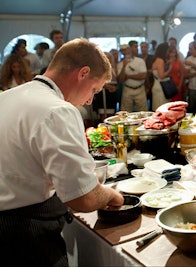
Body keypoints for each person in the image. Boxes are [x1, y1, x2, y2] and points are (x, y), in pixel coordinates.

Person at [0, 38, 124, 266]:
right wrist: (111, 195)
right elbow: (83, 198)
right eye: (94, 90)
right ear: (83, 73)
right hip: (24, 237)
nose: (89, 100)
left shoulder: (6, 97)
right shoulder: (58, 110)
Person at [117, 43, 148, 112]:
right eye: (123, 50)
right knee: (125, 112)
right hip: (127, 89)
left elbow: (143, 76)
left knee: (143, 111)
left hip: (140, 89)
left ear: (130, 49)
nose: (125, 52)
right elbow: (121, 79)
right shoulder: (120, 64)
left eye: (126, 49)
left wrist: (128, 76)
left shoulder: (140, 61)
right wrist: (124, 66)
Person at [151, 42, 171, 110]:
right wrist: (169, 70)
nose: (168, 53)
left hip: (157, 84)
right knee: (162, 108)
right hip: (160, 86)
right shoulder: (160, 61)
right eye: (168, 51)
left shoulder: (157, 59)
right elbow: (161, 76)